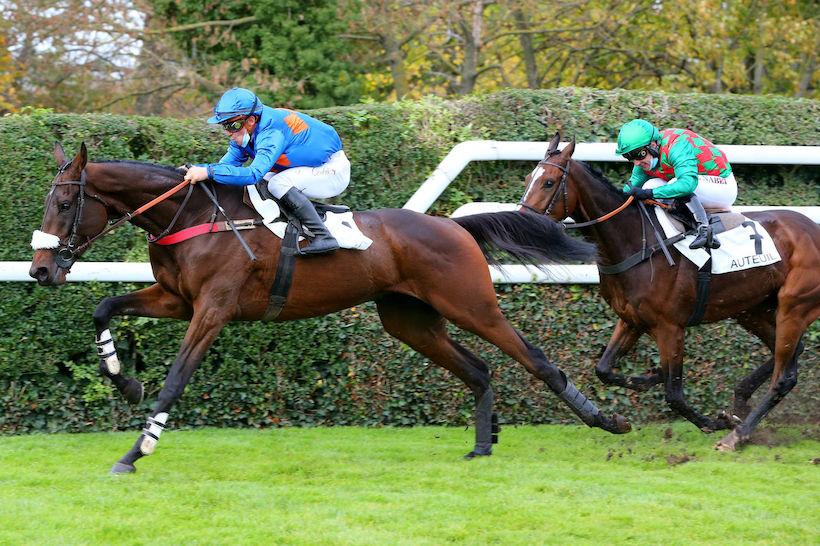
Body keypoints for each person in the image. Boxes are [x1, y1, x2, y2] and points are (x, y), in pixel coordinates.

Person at [184, 87, 350, 254]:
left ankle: (323, 236)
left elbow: (253, 174)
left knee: (277, 183)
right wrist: (197, 169)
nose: (228, 132)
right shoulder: (245, 133)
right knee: (262, 185)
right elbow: (224, 168)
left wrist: (208, 172)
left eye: (232, 125)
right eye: (224, 126)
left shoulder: (272, 132)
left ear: (251, 120)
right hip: (307, 167)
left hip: (331, 169)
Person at [615, 119, 737, 249]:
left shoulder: (677, 145)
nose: (636, 162)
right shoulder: (645, 159)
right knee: (650, 184)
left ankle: (705, 229)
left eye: (639, 155)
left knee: (672, 185)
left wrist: (648, 194)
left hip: (722, 185)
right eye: (629, 157)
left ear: (653, 145)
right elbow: (630, 188)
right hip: (696, 186)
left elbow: (687, 185)